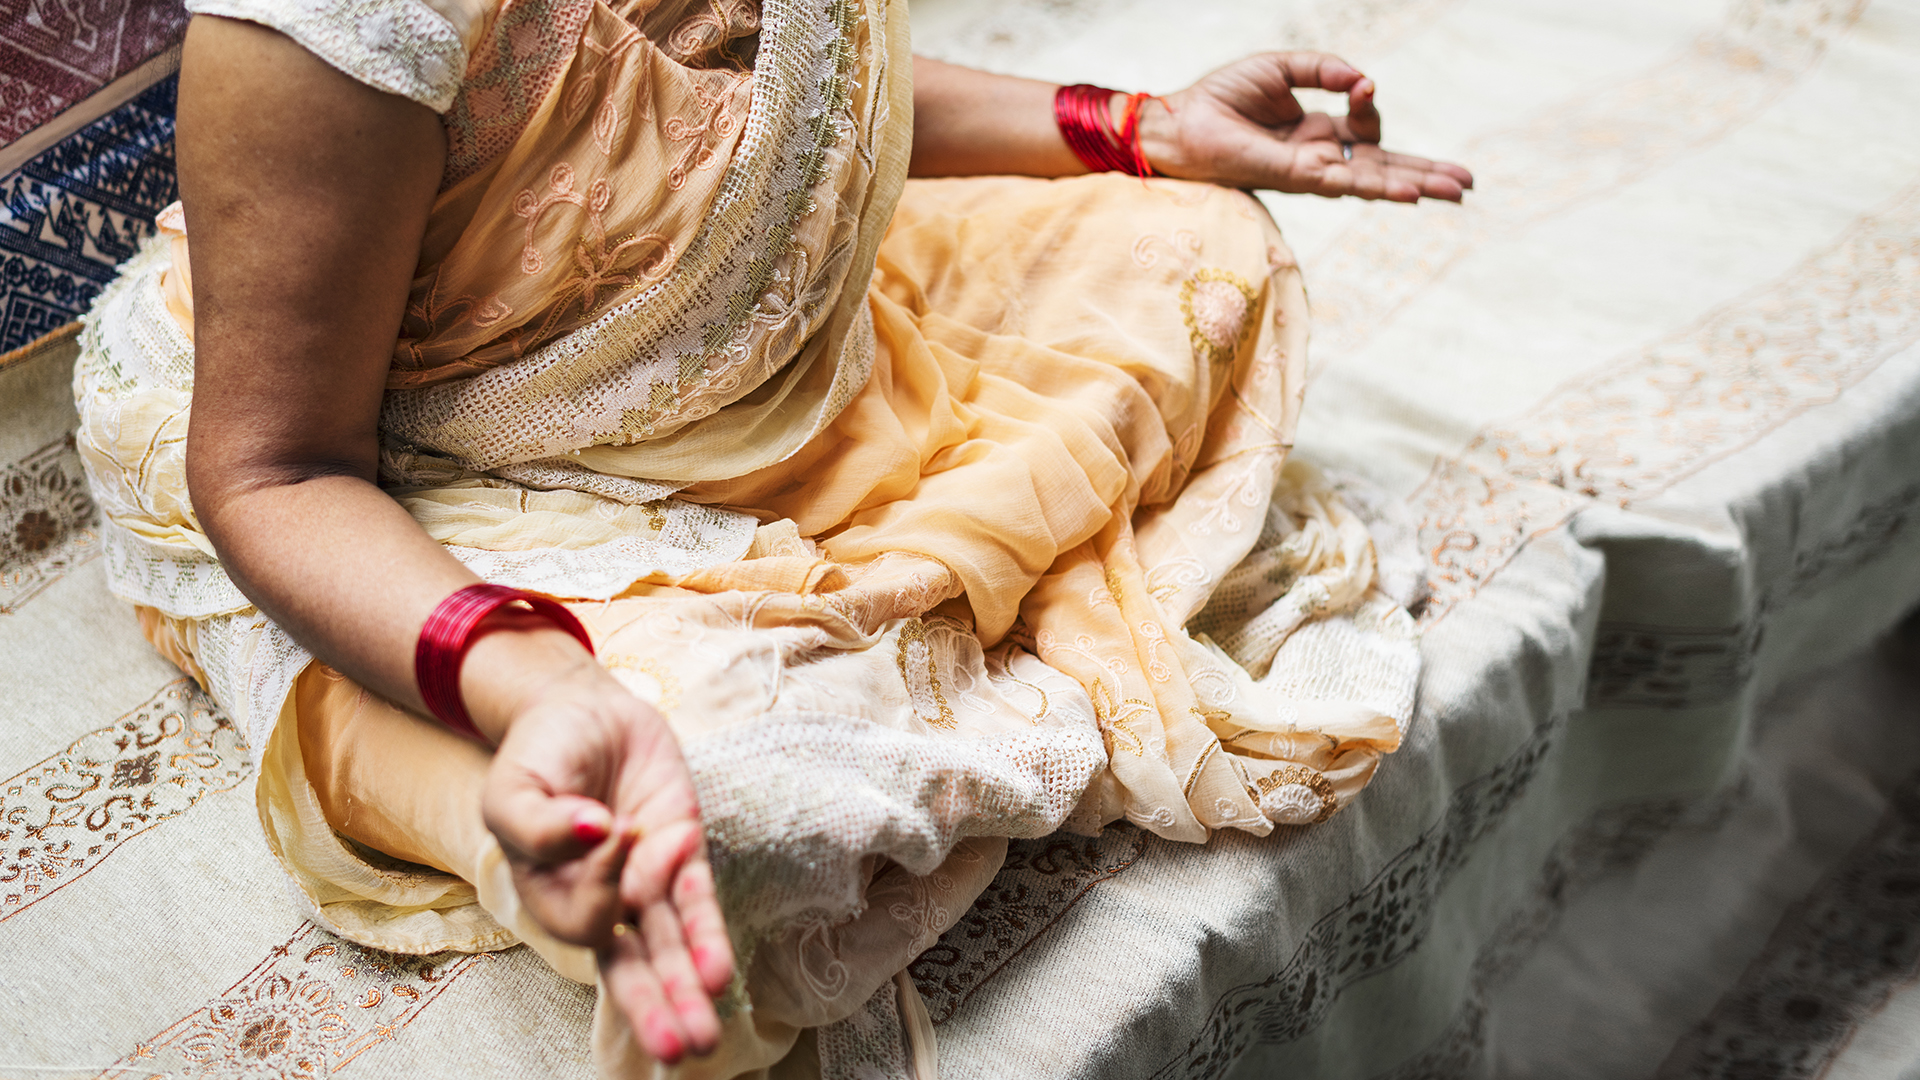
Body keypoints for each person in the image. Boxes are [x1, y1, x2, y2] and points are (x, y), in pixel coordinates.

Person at [73, 0, 1469, 1073]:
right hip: (405, 470)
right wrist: (539, 685)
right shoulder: (335, 26)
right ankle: (518, 790)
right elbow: (274, 473)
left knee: (1196, 248)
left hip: (755, 384)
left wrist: (1135, 124)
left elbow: (765, 105)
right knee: (713, 805)